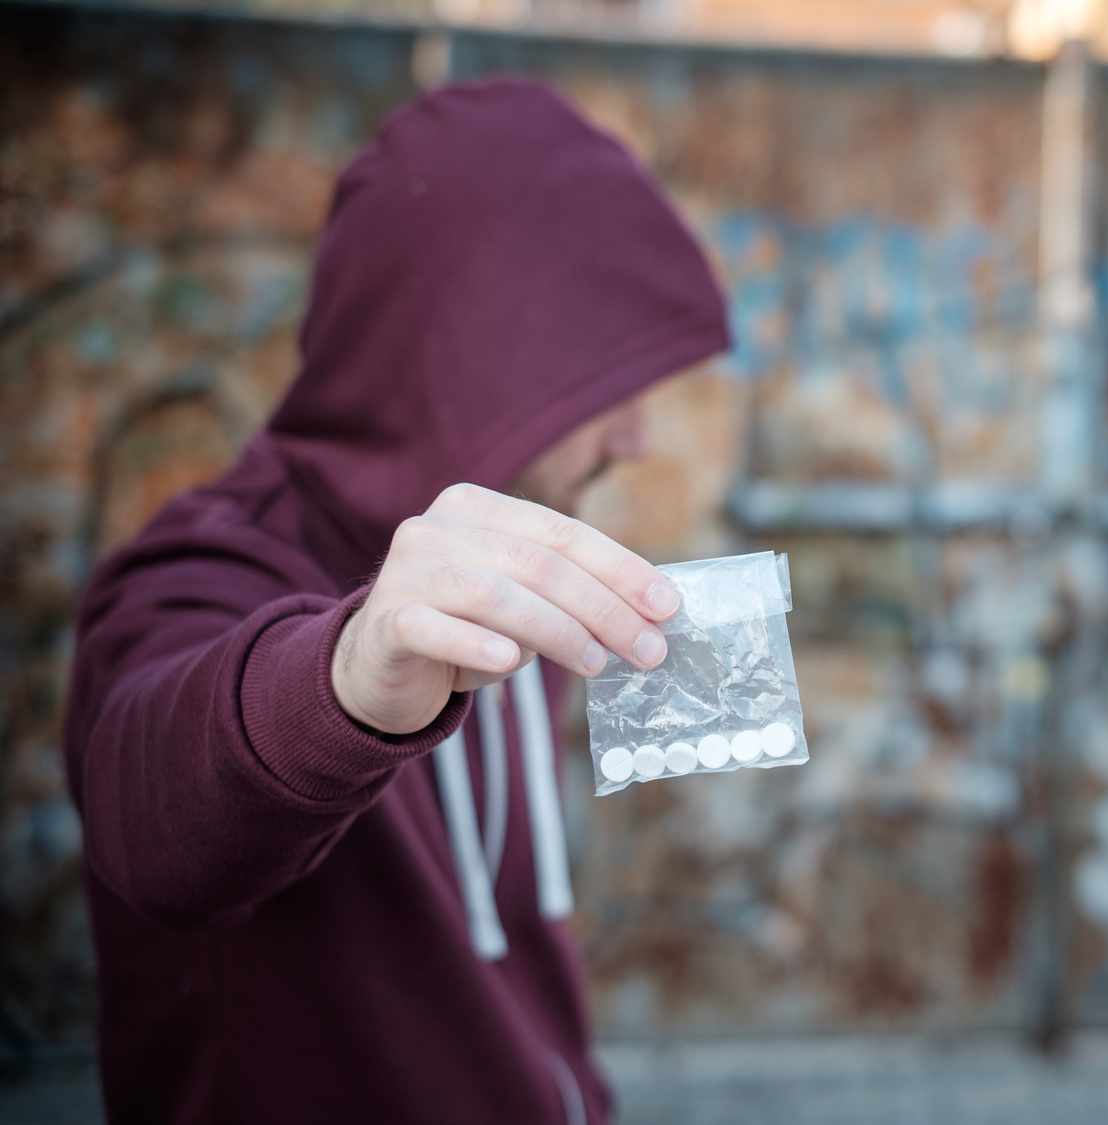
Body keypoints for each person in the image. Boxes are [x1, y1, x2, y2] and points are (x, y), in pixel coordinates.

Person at [63, 78, 730, 1123]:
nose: (634, 438)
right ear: (485, 351)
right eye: (601, 384)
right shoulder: (210, 563)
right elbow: (151, 815)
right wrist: (343, 686)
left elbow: (515, 970)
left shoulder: (514, 570)